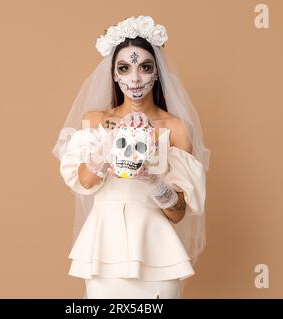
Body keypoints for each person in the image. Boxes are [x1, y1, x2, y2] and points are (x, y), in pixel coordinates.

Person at [52, 16, 210, 299]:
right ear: (113, 74)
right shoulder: (96, 120)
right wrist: (105, 154)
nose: (135, 79)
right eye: (124, 68)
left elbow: (178, 214)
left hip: (157, 251)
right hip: (103, 249)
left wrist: (153, 180)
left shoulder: (174, 128)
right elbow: (83, 183)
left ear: (157, 72)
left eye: (145, 67)